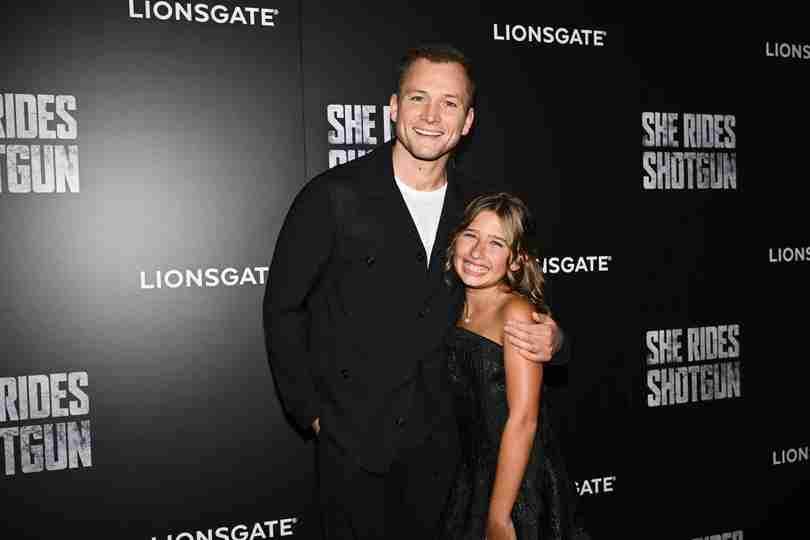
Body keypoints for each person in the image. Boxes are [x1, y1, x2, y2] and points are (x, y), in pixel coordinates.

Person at [263, 44, 568, 540]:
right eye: (418, 98)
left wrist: (554, 339)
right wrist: (314, 415)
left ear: (467, 121)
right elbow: (282, 308)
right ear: (393, 107)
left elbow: (519, 293)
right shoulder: (332, 197)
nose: (431, 116)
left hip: (449, 452)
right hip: (354, 447)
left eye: (449, 104)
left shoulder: (478, 209)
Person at [438, 193, 588, 540]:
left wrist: (500, 516)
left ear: (517, 260)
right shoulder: (453, 302)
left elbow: (524, 419)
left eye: (495, 244)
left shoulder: (516, 313)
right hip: (471, 475)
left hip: (516, 483)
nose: (477, 253)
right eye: (470, 236)